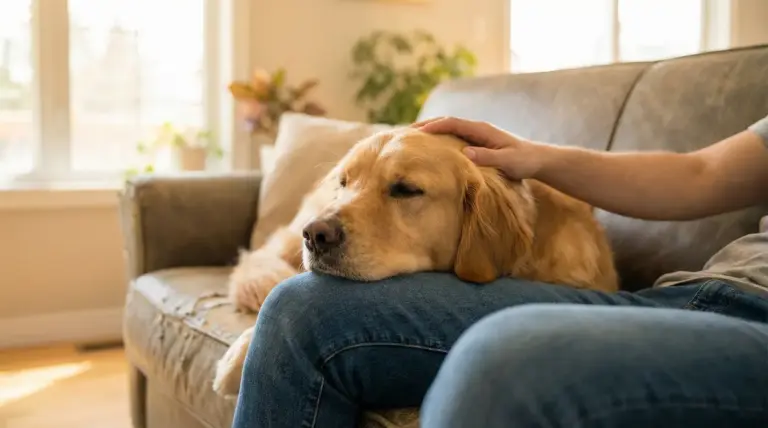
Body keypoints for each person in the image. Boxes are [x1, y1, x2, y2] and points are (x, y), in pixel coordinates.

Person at [230, 115, 768, 428]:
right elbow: (703, 173)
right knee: (298, 308)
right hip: (682, 297)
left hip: (753, 327)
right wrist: (534, 157)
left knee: (507, 353)